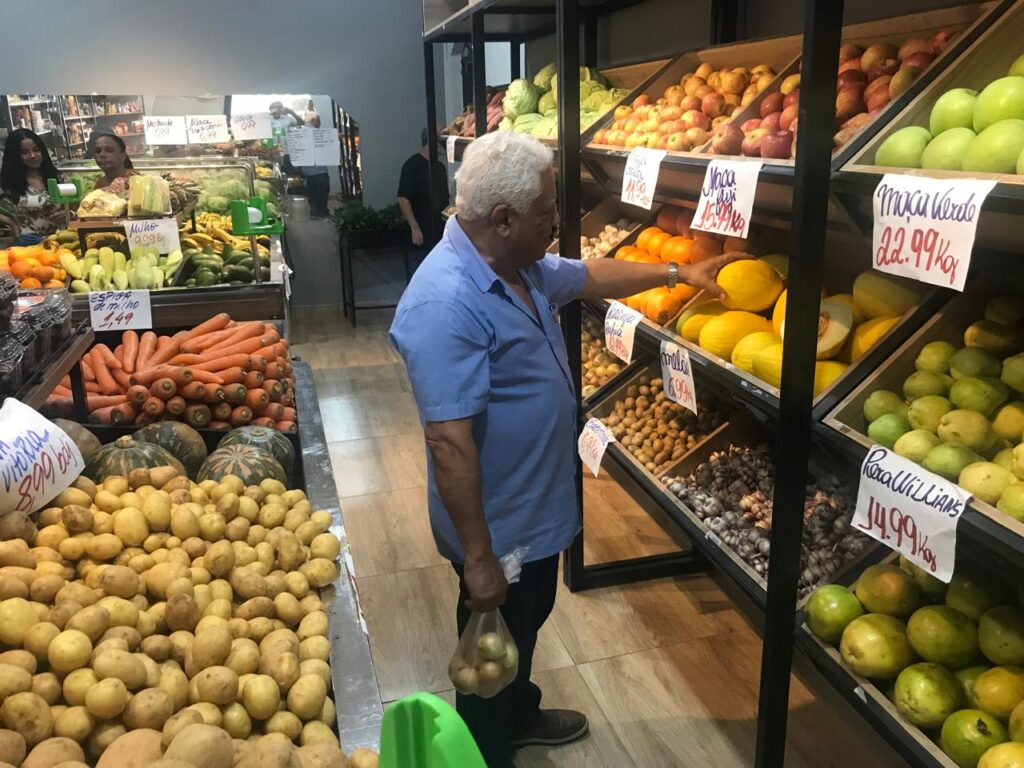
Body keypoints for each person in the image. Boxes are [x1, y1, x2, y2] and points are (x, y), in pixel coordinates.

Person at [389, 132, 742, 767]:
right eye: (548, 211)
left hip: (535, 506)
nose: (556, 222)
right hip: (498, 524)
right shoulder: (445, 301)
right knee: (491, 646)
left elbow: (587, 275)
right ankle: (486, 750)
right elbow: (449, 441)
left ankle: (519, 714)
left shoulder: (514, 265)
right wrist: (479, 559)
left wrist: (678, 272)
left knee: (528, 619)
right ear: (503, 219)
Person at [0, 129, 66, 239]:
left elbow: (77, 207)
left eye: (36, 150)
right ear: (14, 155)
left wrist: (67, 213)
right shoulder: (7, 183)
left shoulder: (58, 177)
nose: (33, 155)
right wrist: (10, 222)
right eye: (25, 152)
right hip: (26, 243)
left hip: (61, 239)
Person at [270, 100, 330, 219]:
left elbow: (301, 123)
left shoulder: (289, 120)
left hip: (290, 153)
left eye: (278, 108)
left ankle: (316, 211)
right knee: (318, 187)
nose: (276, 111)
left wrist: (291, 112)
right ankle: (317, 211)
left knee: (311, 186)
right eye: (273, 109)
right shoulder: (267, 121)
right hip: (276, 153)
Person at [397, 128, 449, 257]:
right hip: (420, 234)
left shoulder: (439, 167)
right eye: (443, 140)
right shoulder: (412, 165)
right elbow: (403, 199)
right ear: (433, 142)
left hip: (438, 232)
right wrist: (414, 228)